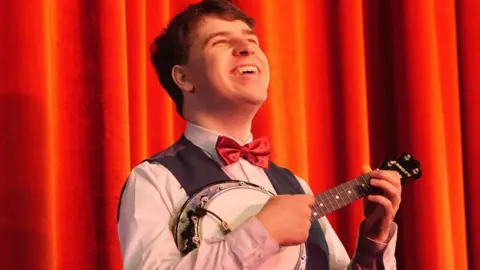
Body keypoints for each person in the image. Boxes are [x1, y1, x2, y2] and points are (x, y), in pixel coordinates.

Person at [117, 0, 402, 269]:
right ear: (184, 78)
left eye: (252, 40)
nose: (247, 48)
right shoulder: (153, 180)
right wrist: (261, 233)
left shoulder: (296, 186)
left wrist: (373, 243)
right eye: (220, 42)